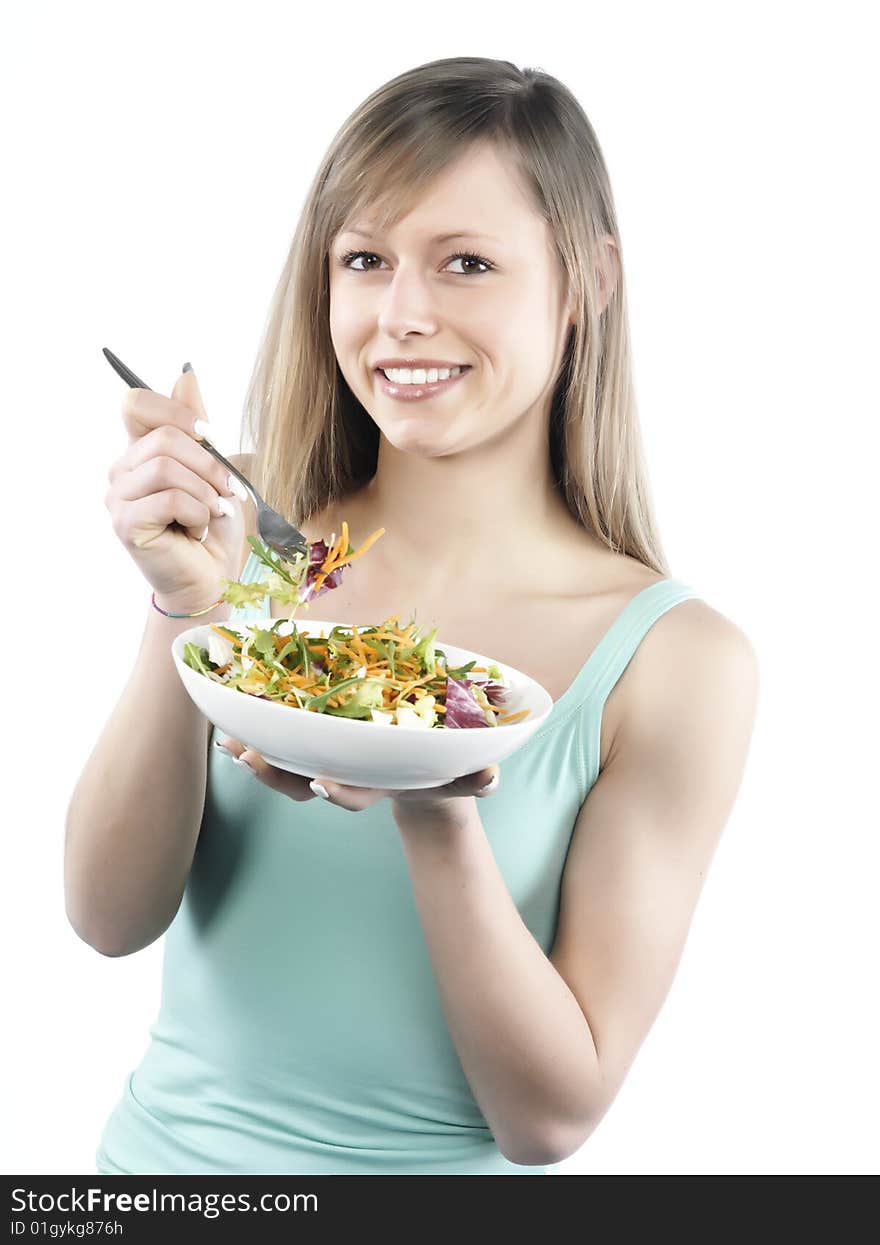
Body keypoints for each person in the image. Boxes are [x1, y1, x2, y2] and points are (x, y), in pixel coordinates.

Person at [66, 56, 759, 1176]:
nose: (401, 317)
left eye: (468, 263)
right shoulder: (244, 533)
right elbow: (105, 916)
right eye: (365, 260)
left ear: (585, 280)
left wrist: (434, 809)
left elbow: (550, 1121)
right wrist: (183, 608)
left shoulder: (677, 661)